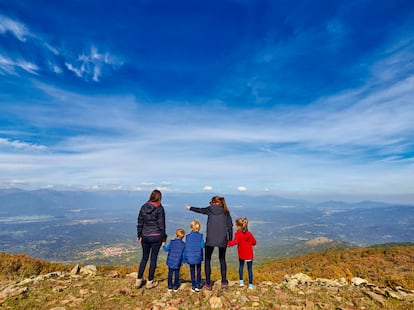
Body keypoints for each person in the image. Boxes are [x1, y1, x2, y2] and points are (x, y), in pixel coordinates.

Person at [185, 196, 233, 290]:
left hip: (210, 238)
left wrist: (190, 208)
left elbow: (200, 210)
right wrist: (230, 239)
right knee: (222, 259)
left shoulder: (210, 209)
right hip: (222, 239)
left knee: (207, 260)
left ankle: (208, 283)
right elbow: (230, 227)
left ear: (213, 202)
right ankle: (224, 282)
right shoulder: (225, 211)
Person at [136, 189, 167, 289]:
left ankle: (138, 281)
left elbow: (140, 221)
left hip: (145, 236)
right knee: (153, 259)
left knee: (144, 258)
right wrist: (163, 238)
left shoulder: (144, 207)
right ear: (160, 198)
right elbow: (162, 225)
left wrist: (139, 235)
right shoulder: (160, 209)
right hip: (157, 236)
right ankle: (150, 282)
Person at [227, 217, 257, 289]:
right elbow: (254, 242)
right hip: (249, 255)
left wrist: (228, 243)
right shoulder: (249, 234)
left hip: (242, 254)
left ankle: (241, 283)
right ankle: (250, 285)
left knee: (241, 267)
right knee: (249, 269)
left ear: (238, 226)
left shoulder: (238, 234)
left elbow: (235, 242)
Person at [184, 219, 205, 292]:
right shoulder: (200, 236)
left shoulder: (187, 237)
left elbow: (186, 247)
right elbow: (202, 246)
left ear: (191, 228)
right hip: (198, 256)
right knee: (198, 271)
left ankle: (193, 285)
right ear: (199, 228)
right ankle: (198, 286)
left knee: (192, 270)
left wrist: (185, 258)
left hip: (190, 257)